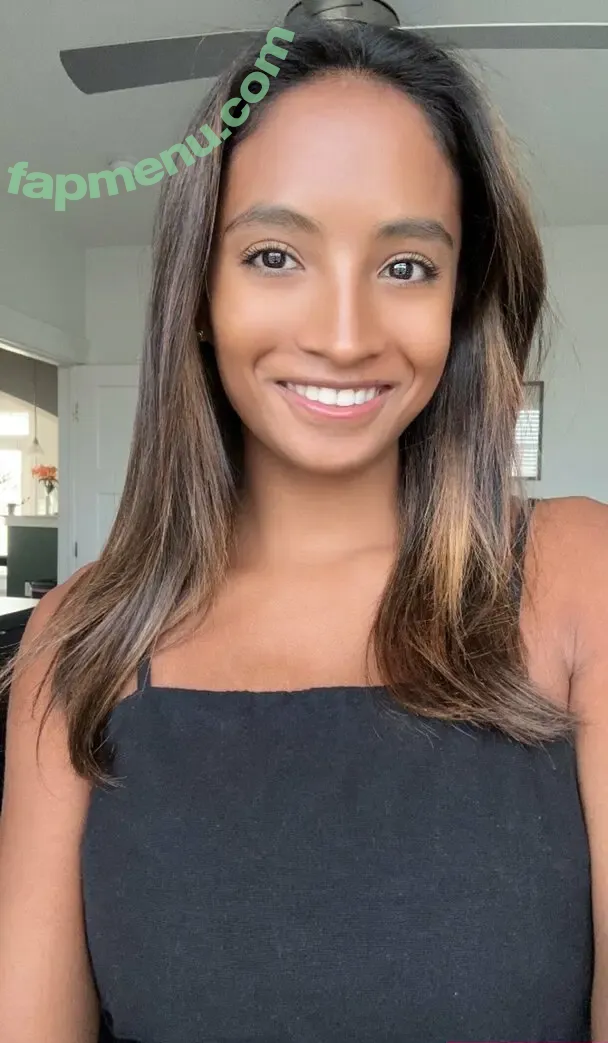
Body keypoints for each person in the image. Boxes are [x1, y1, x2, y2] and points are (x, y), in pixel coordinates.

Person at [0, 18, 606, 1043]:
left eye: (405, 266)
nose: (343, 334)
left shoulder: (578, 579)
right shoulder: (79, 643)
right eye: (274, 255)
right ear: (199, 293)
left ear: (460, 301)